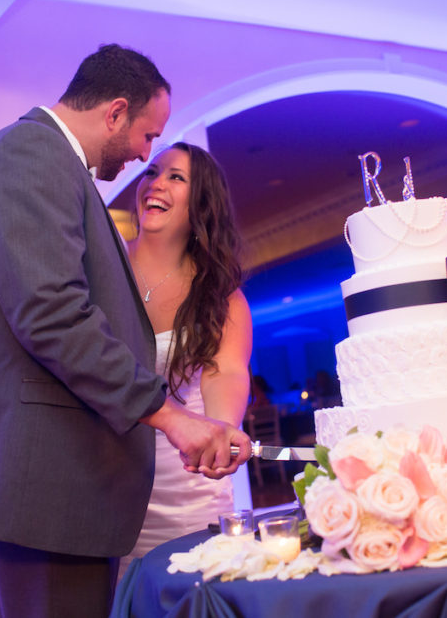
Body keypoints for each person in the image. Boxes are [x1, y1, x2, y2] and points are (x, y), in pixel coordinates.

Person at [0, 45, 251, 618]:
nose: (143, 155)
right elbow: (51, 313)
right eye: (147, 137)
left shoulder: (54, 167)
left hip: (70, 482)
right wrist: (173, 417)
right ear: (114, 112)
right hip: (43, 479)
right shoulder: (33, 153)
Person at [118, 143, 252, 575]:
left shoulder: (221, 296)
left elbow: (225, 371)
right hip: (108, 487)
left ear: (201, 204)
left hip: (188, 493)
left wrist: (220, 433)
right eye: (152, 172)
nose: (155, 183)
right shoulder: (102, 269)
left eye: (175, 177)